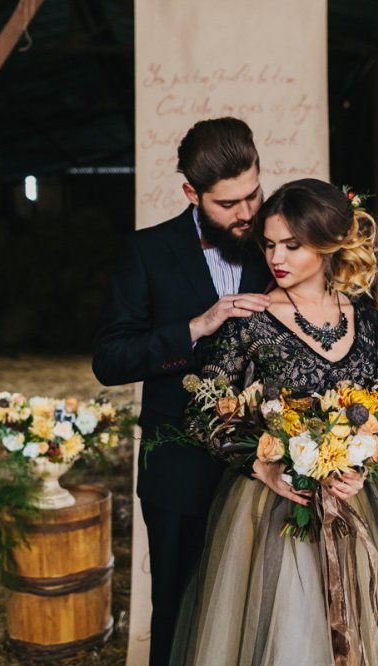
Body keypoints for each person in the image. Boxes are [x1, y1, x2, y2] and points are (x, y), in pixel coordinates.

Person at [170, 179, 378, 665]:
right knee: (291, 636)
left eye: (292, 246)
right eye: (271, 244)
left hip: (359, 505)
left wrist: (369, 460)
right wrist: (262, 469)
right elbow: (201, 411)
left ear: (326, 245)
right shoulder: (250, 322)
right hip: (275, 511)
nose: (277, 257)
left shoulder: (369, 321)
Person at [92, 117, 274, 666]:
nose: (246, 214)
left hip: (269, 465)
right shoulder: (148, 251)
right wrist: (196, 327)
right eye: (228, 204)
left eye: (253, 194)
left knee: (258, 610)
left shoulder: (280, 240)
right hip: (178, 467)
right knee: (177, 609)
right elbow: (110, 358)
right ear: (191, 193)